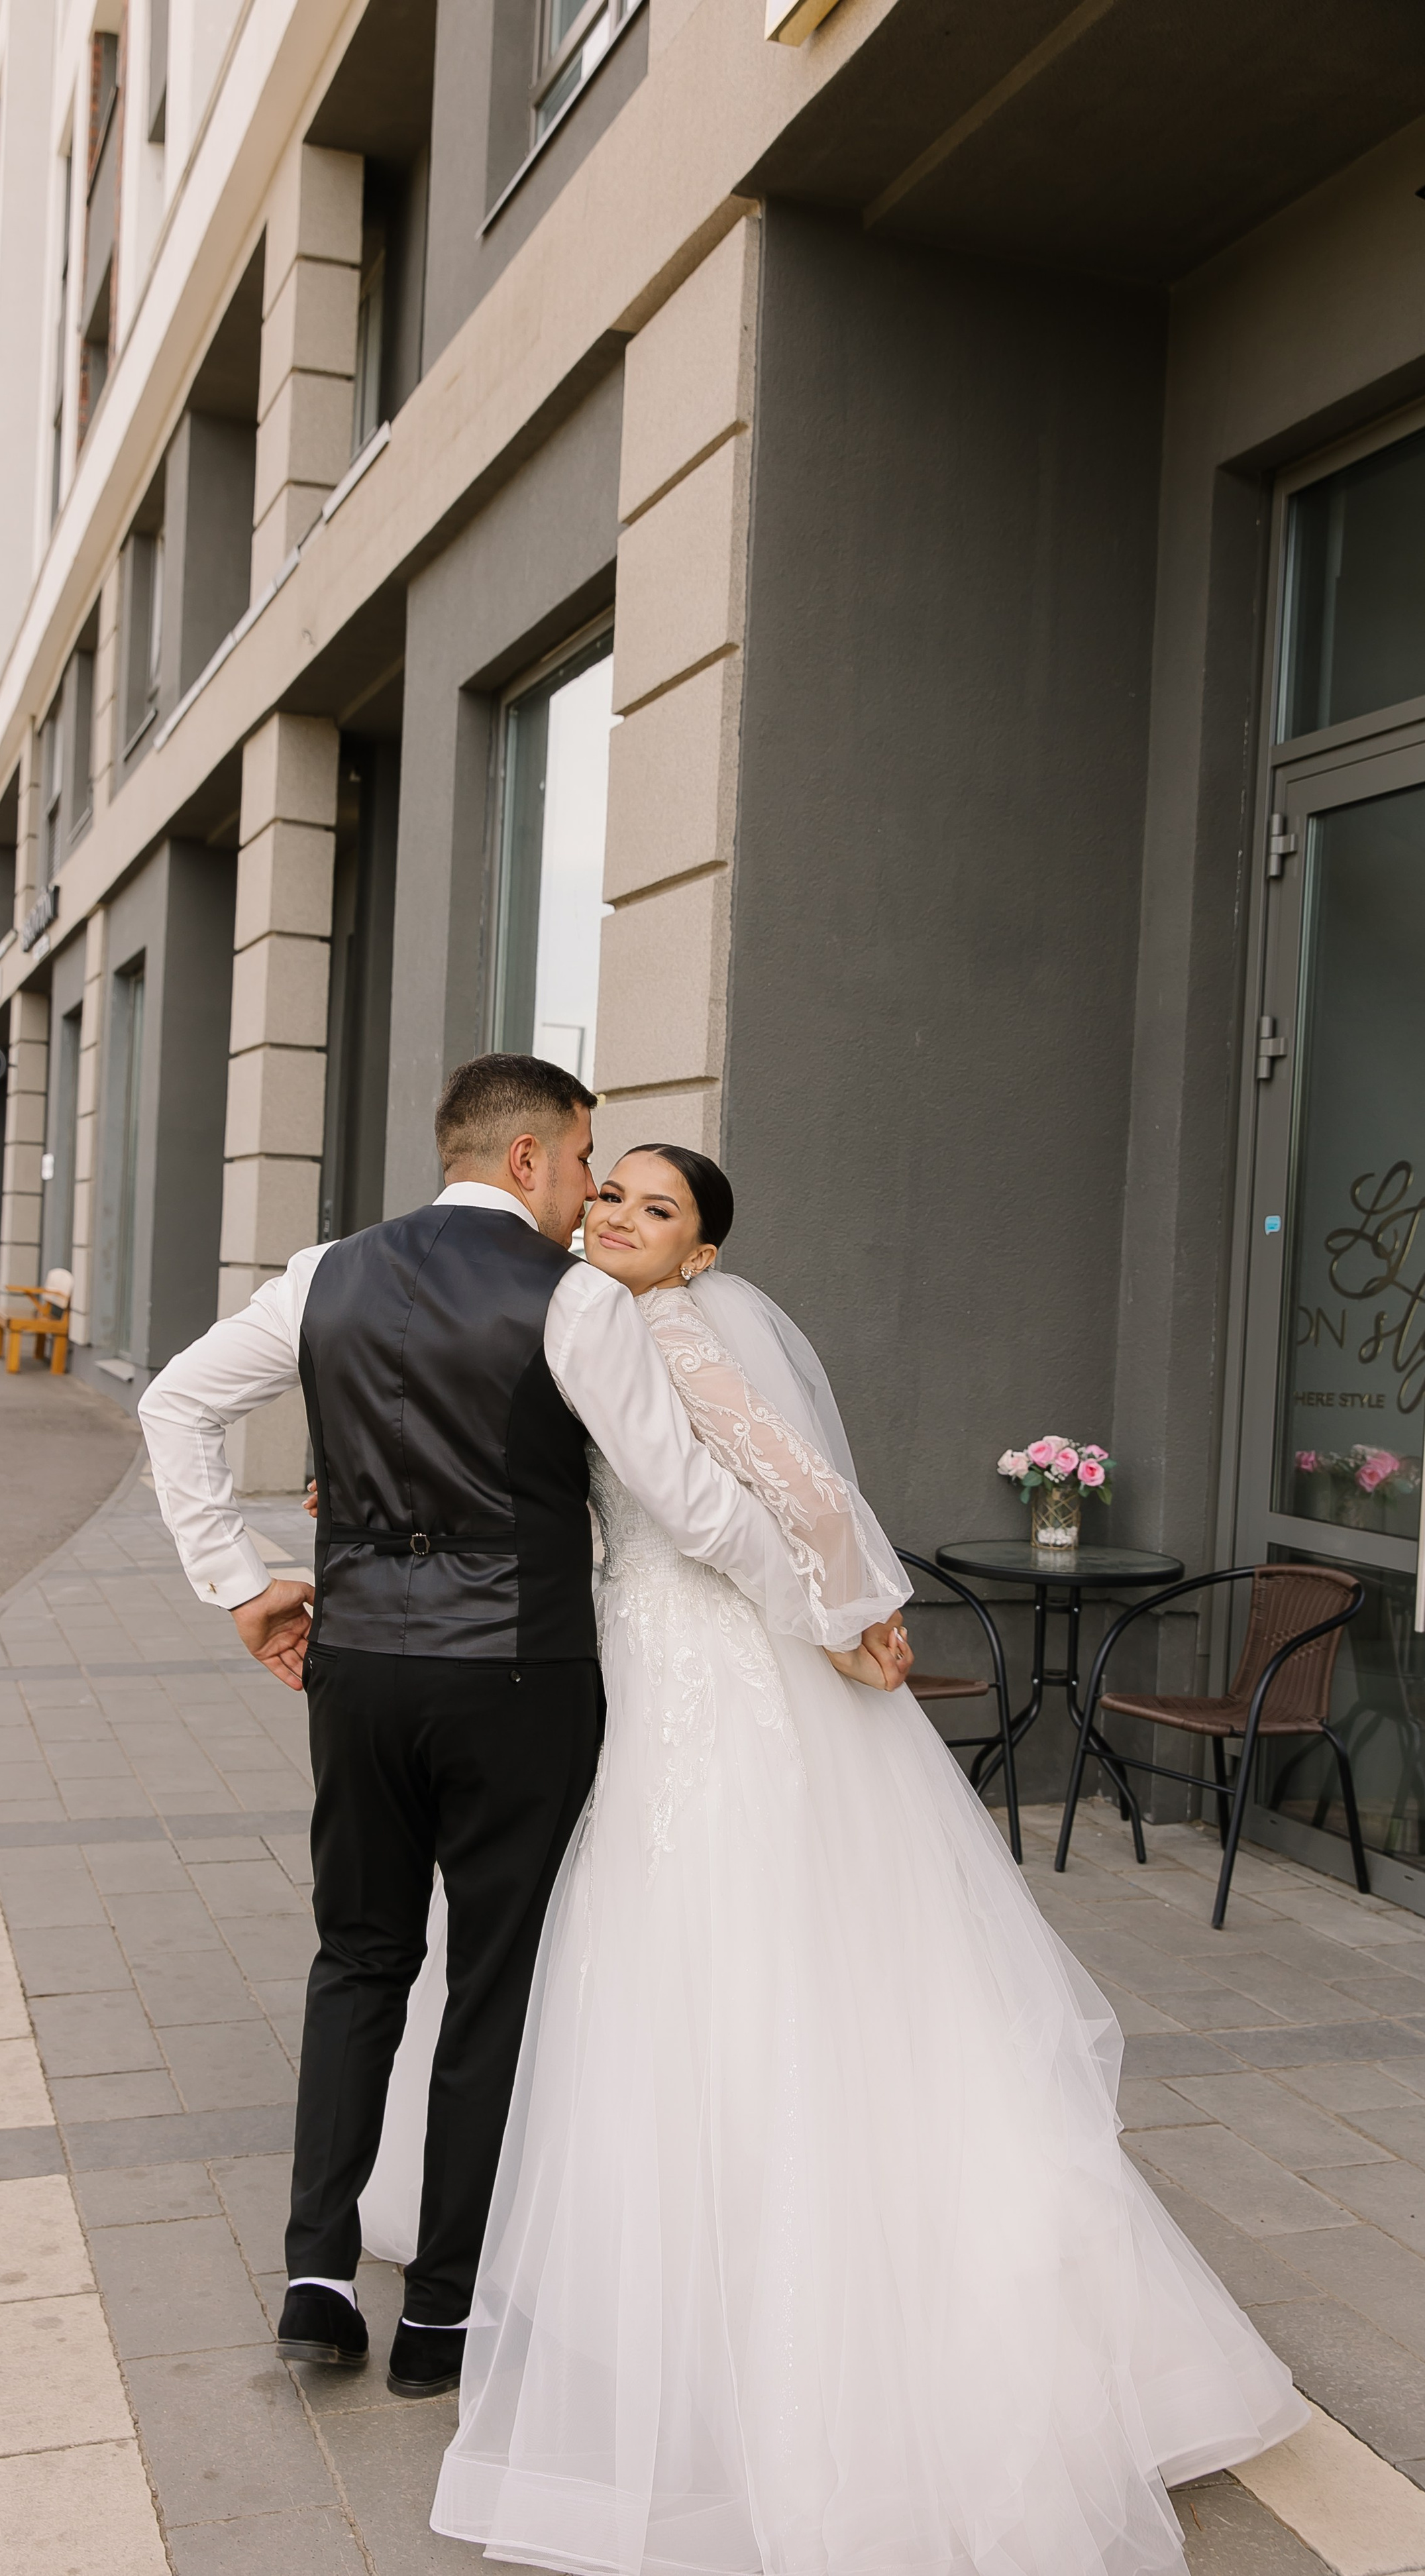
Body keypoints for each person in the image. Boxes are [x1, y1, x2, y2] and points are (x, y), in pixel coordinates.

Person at [365, 1144, 1308, 2576]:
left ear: (699, 1259)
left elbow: (784, 1488)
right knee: (647, 1941)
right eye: (607, 1192)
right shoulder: (579, 1314)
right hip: (637, 1657)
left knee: (707, 1941)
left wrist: (853, 1609)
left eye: (655, 1209)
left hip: (707, 1667)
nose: (617, 1214)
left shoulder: (659, 1326)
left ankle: (736, 2299)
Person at [137, 1057, 901, 2400]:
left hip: (360, 1668)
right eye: (584, 1161)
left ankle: (315, 2277)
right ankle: (438, 2315)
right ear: (534, 1157)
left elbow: (175, 1403)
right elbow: (689, 1505)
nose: (587, 1198)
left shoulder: (323, 1273)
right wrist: (821, 1613)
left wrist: (242, 1580)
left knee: (357, 1958)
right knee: (493, 1981)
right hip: (519, 1676)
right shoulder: (574, 1304)